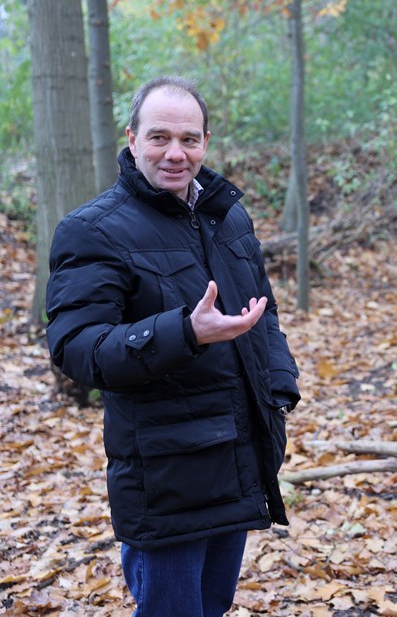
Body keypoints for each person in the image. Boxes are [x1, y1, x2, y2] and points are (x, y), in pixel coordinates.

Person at [46, 76, 301, 616]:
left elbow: (264, 312)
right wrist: (184, 332)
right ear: (132, 138)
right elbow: (76, 347)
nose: (175, 153)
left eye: (189, 139)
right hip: (164, 477)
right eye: (159, 137)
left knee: (213, 608)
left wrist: (280, 390)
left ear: (206, 141)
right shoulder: (92, 230)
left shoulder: (227, 216)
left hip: (240, 455)